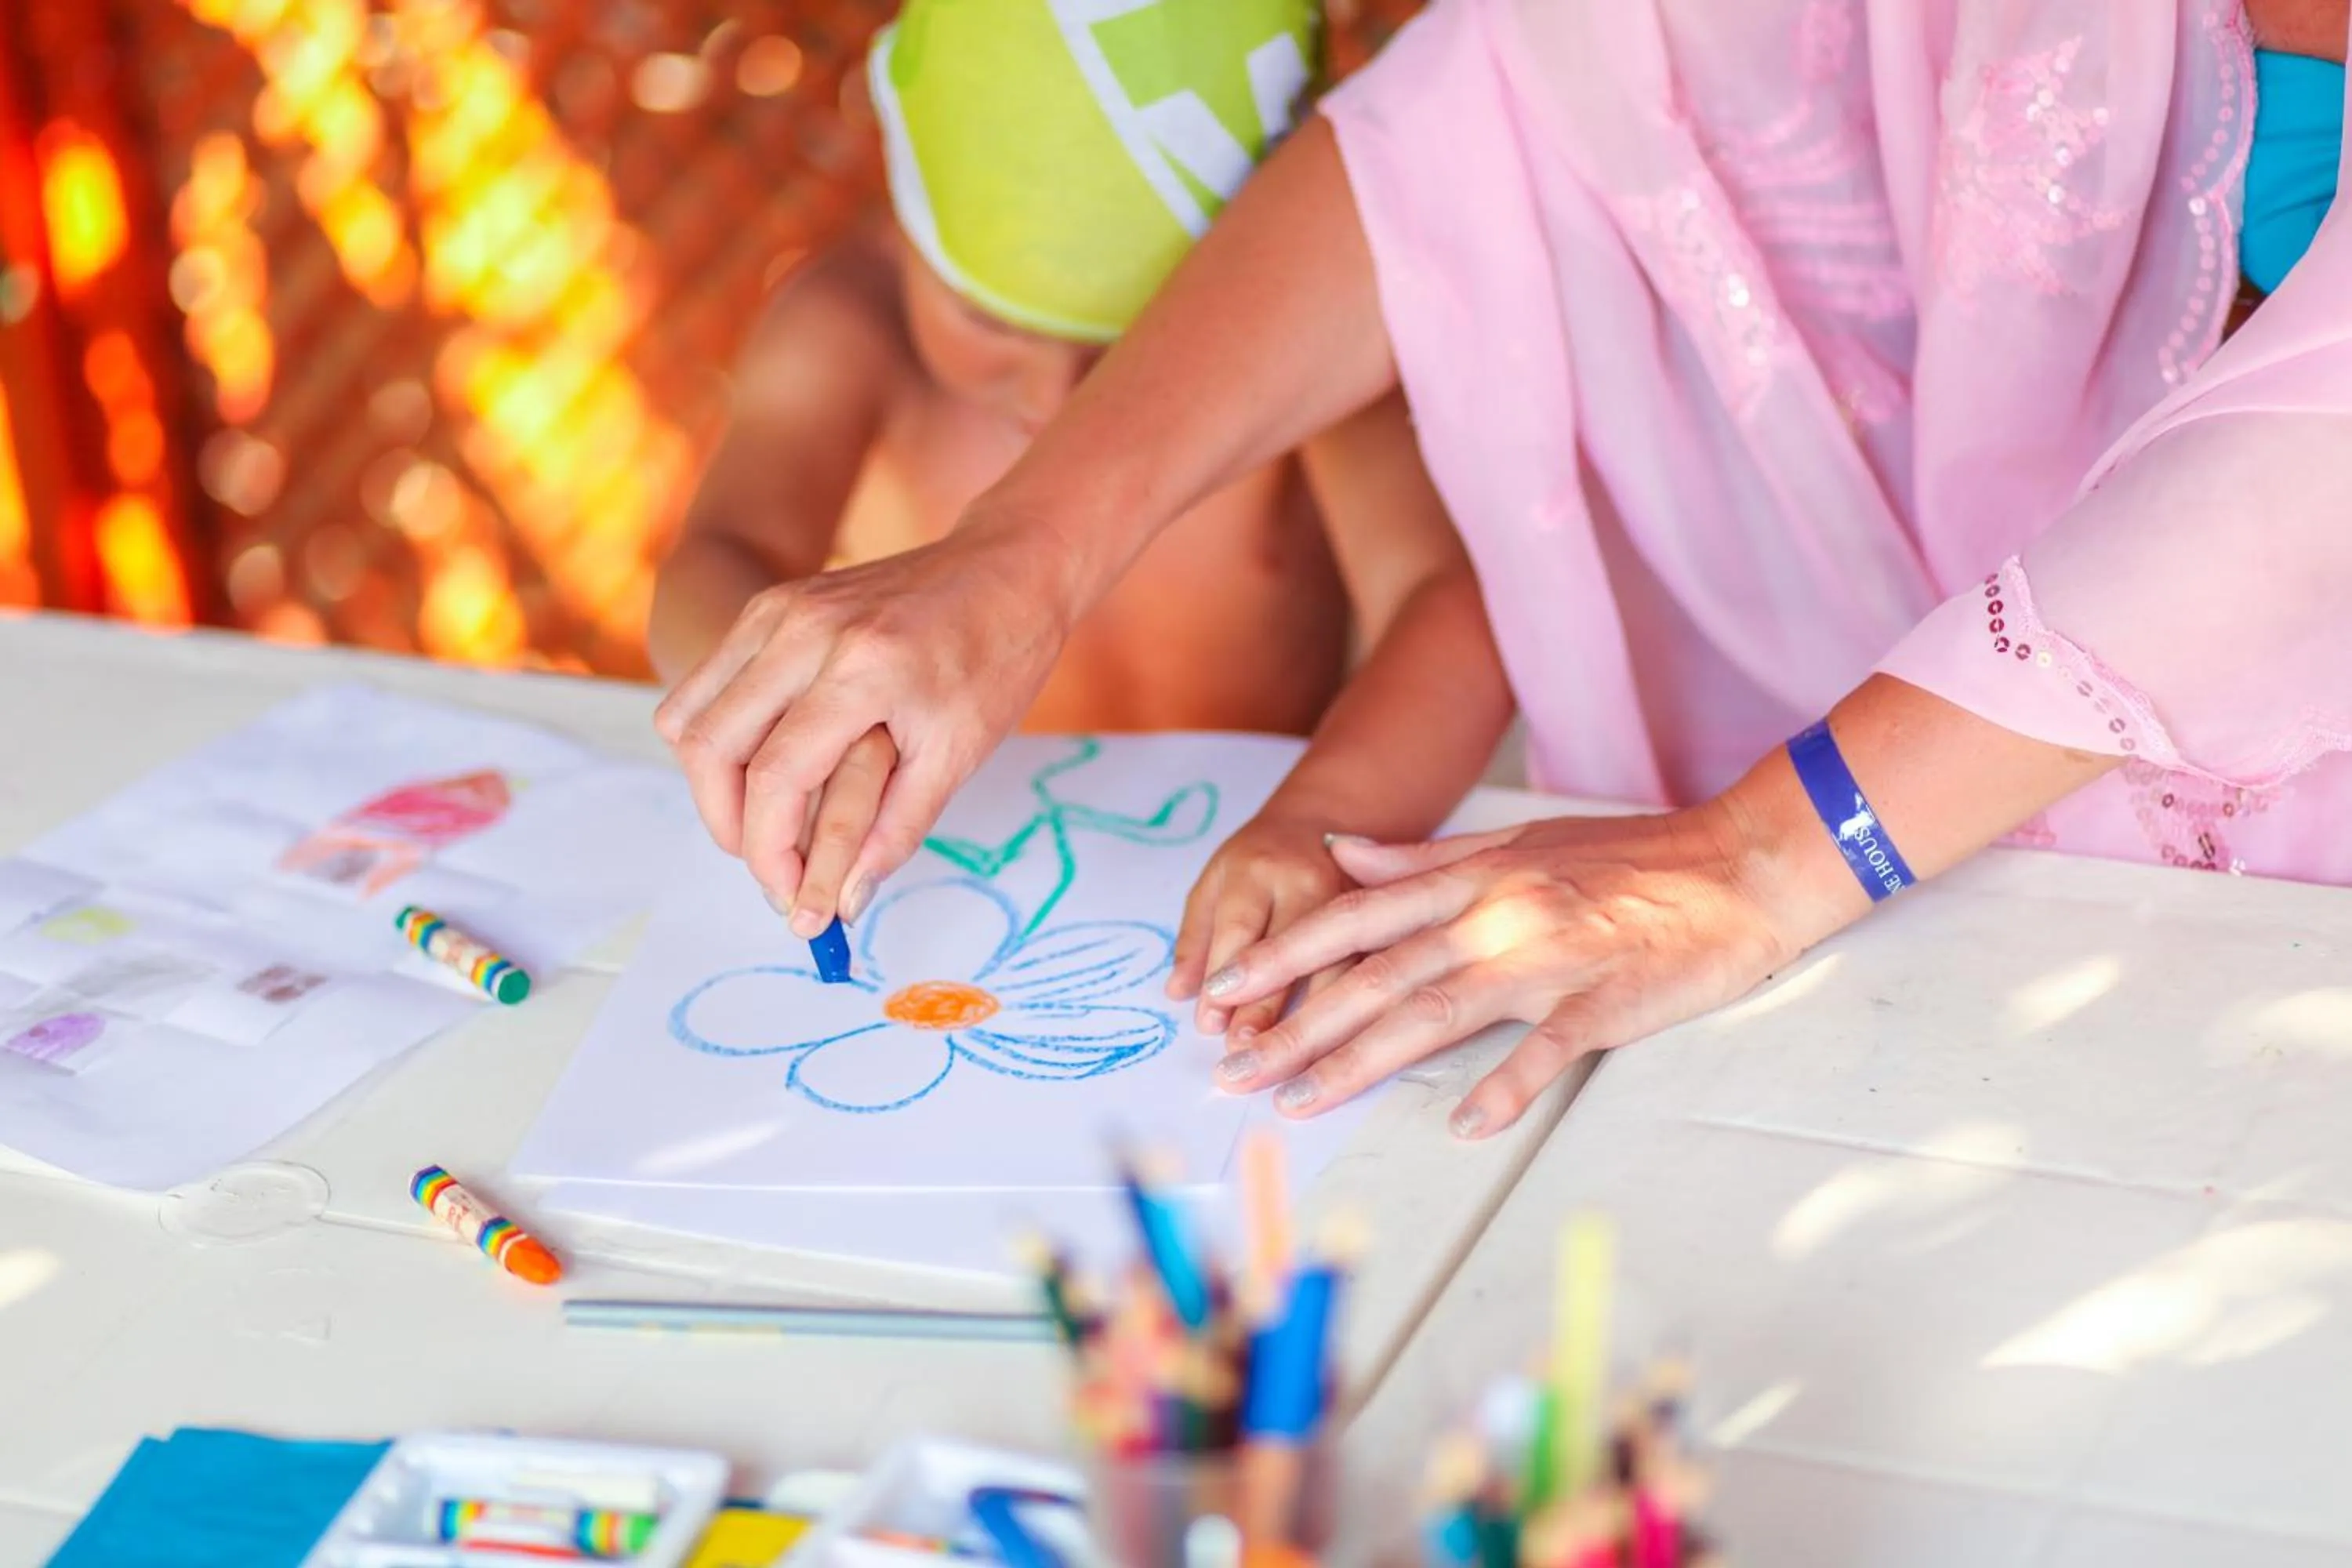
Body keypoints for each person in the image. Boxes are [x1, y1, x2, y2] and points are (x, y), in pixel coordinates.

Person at [658, 0, 2352, 1137]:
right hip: (1888, 904)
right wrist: (1020, 560)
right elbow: (1510, 101)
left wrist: (1756, 862)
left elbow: (2300, 472)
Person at [650, 0, 1478, 936]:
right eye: (995, 323)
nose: (1058, 401)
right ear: (906, 222)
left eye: (1141, 350)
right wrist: (780, 708)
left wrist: (1326, 816)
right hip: (951, 872)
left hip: (1230, 858)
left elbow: (1453, 603)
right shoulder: (850, 326)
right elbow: (722, 550)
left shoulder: (1312, 359)